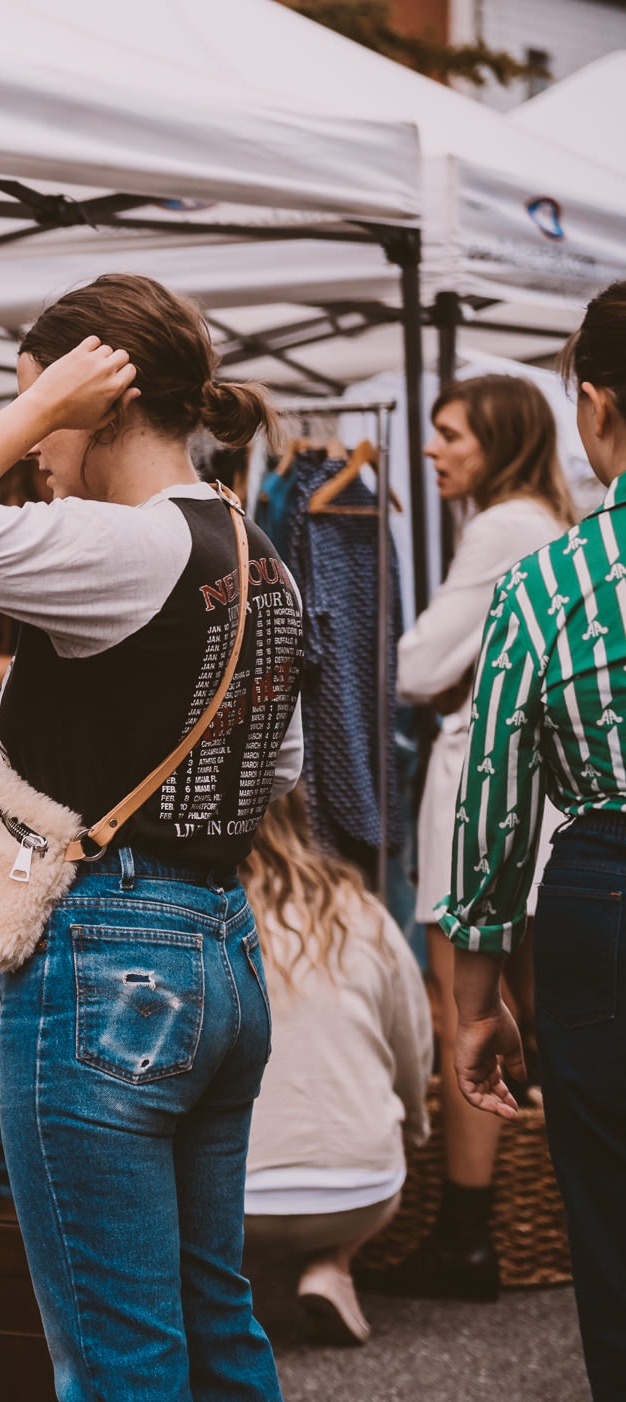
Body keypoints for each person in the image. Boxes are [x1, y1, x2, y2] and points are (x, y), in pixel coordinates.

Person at [0, 273, 305, 1402]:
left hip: (107, 958)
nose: (32, 455)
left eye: (44, 415)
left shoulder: (125, 546)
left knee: (116, 1357)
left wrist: (39, 398)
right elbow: (283, 768)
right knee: (214, 1324)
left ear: (99, 400)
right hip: (221, 951)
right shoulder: (263, 558)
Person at [444, 279, 626, 1401]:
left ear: (597, 406)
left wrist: (476, 1002)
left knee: (609, 1226)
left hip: (605, 904)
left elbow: (494, 804)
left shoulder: (547, 579)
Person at [367, 373, 576, 1303]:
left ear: (500, 438)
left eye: (451, 434)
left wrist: (450, 677)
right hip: (544, 795)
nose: (432, 448)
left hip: (481, 789)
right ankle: (550, 1218)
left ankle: (466, 1234)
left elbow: (414, 666)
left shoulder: (502, 527)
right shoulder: (549, 519)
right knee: (543, 1014)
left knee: (469, 1014)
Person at [239, 790, 431, 1345]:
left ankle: (214, 1296)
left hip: (236, 1205)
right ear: (303, 819)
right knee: (364, 1128)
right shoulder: (359, 909)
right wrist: (413, 1125)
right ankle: (332, 1268)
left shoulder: (204, 918)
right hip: (364, 1190)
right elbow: (412, 1040)